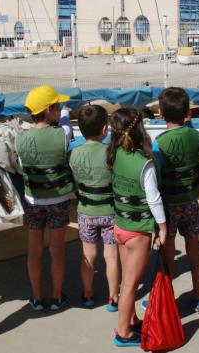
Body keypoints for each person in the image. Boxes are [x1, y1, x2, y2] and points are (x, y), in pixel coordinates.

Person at [107, 107, 167, 347]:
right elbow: (154, 199)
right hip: (138, 230)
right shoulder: (145, 163)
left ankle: (131, 319)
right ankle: (124, 333)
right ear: (141, 130)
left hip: (120, 226)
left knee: (126, 281)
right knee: (132, 284)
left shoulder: (113, 154)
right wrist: (162, 228)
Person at [15, 85, 74, 310]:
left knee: (35, 249)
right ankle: (57, 296)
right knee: (57, 250)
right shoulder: (61, 134)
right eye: (57, 106)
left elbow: (21, 167)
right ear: (49, 109)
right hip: (57, 199)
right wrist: (67, 113)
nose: (60, 109)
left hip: (33, 201)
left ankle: (37, 297)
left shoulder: (21, 139)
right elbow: (67, 126)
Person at [153, 87, 199, 312]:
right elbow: (188, 131)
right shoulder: (195, 136)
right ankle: (198, 295)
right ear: (187, 113)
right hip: (191, 201)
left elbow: (156, 174)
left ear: (161, 114)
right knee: (193, 247)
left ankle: (167, 299)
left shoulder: (159, 142)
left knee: (169, 252)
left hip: (169, 204)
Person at [69, 104, 120, 311]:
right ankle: (113, 296)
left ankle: (88, 293)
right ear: (104, 129)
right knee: (111, 256)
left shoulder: (74, 154)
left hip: (87, 211)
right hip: (109, 210)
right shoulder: (111, 152)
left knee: (88, 255)